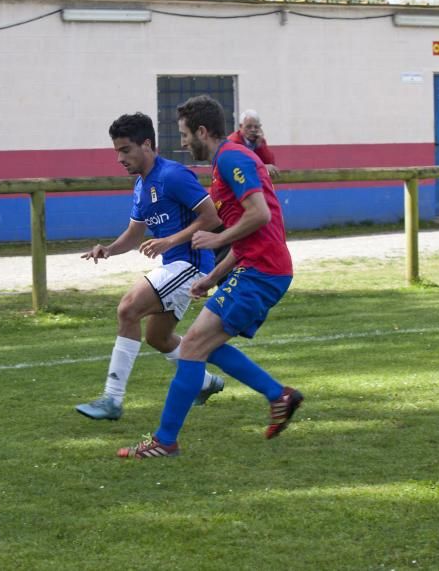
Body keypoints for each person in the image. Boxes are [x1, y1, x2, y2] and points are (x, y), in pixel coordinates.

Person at [118, 95, 302, 459]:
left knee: (191, 347)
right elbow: (247, 231)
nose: (183, 143)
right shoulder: (225, 164)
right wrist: (214, 275)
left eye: (185, 134)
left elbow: (260, 215)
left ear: (203, 131)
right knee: (205, 345)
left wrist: (216, 238)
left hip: (261, 272)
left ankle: (164, 441)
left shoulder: (232, 157)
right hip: (255, 267)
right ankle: (278, 395)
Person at [76, 112, 226, 420]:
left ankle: (112, 400)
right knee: (158, 338)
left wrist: (170, 241)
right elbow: (134, 235)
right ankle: (205, 382)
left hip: (191, 263)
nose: (119, 158)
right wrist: (107, 249)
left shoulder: (173, 175)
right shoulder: (141, 187)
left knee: (127, 309)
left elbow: (212, 218)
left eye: (125, 150)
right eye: (116, 151)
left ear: (147, 145)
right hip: (174, 264)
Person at [228, 109, 279, 179]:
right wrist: (262, 167)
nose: (253, 130)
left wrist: (260, 147)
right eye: (249, 127)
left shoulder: (260, 140)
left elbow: (271, 165)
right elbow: (240, 165)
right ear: (240, 127)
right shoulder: (233, 142)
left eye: (256, 127)